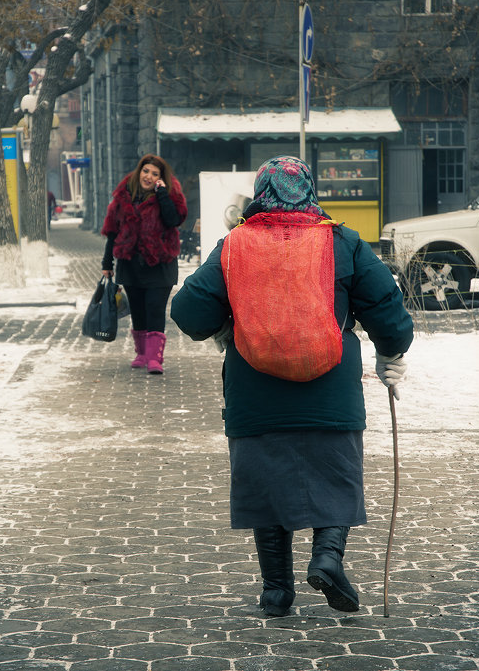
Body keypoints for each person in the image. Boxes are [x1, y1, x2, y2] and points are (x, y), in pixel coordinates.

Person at [171, 155, 413, 616]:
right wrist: (391, 351)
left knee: (268, 488)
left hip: (254, 397)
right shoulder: (343, 242)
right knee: (336, 478)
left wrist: (233, 317)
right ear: (310, 191)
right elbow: (388, 310)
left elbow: (188, 313)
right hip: (332, 395)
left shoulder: (234, 244)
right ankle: (327, 558)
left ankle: (277, 591)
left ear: (260, 192)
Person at [101, 153, 187, 373]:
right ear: (139, 171)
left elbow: (173, 219)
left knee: (155, 309)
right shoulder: (123, 197)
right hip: (130, 263)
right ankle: (141, 354)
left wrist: (162, 194)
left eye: (155, 174)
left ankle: (155, 358)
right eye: (146, 171)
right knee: (138, 310)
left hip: (161, 263)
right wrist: (107, 263)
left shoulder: (168, 194)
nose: (148, 176)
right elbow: (112, 231)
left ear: (161, 177)